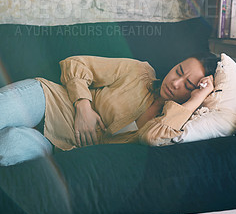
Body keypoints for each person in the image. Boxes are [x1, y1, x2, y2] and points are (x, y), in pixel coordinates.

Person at [0, 52, 219, 166]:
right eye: (178, 71)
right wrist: (83, 106)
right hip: (50, 101)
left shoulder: (168, 121)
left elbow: (153, 138)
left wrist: (196, 99)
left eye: (188, 85)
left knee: (7, 149)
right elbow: (76, 64)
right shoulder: (139, 72)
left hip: (56, 145)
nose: (175, 83)